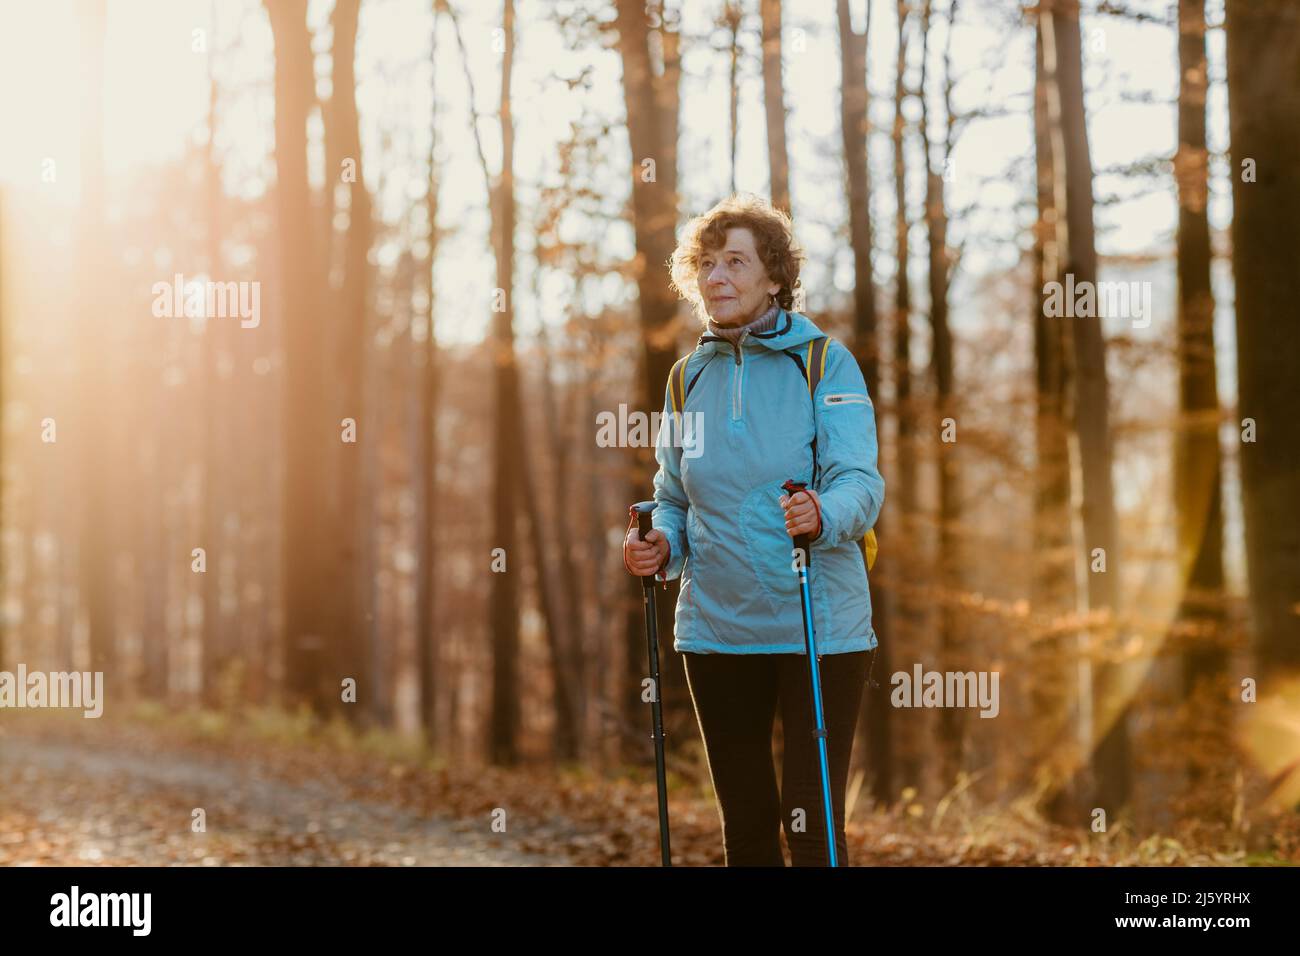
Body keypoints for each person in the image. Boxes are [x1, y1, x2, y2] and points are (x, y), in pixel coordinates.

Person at [623, 193, 885, 867]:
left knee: (811, 828)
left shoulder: (823, 364)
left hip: (818, 629)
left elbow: (861, 481)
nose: (717, 278)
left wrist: (824, 513)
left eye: (735, 262)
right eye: (706, 264)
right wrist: (660, 546)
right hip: (716, 630)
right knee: (747, 827)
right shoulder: (688, 380)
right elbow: (674, 498)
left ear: (774, 276)